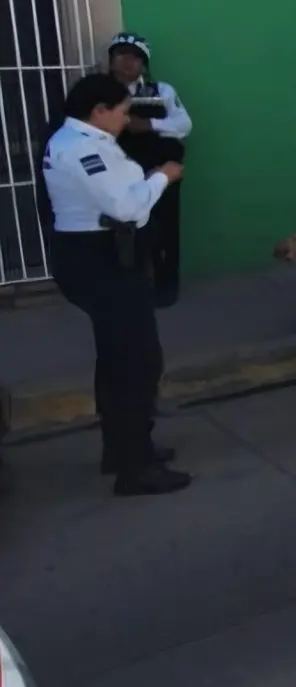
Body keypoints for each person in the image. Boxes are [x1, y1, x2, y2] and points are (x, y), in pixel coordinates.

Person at [42, 73, 190, 496]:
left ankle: (122, 449)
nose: (127, 120)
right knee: (136, 364)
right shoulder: (84, 148)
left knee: (117, 360)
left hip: (99, 257)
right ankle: (135, 467)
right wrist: (163, 176)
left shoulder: (79, 140)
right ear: (99, 111)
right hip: (102, 260)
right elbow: (126, 205)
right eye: (123, 111)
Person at [106, 33, 192, 308]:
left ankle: (166, 288)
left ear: (144, 63)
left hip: (160, 171)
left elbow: (184, 124)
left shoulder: (160, 91)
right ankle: (129, 289)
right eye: (121, 55)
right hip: (117, 173)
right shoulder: (99, 90)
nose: (127, 62)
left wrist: (150, 126)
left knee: (165, 229)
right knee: (122, 231)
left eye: (135, 56)